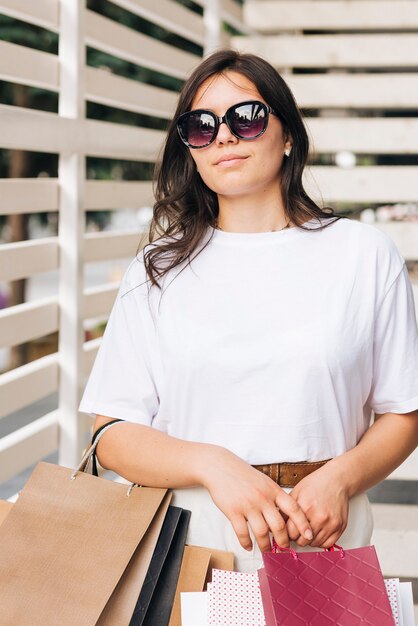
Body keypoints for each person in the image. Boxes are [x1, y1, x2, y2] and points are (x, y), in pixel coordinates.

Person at [79, 49, 418, 572]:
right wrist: (213, 464)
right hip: (190, 547)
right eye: (201, 125)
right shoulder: (157, 269)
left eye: (247, 117)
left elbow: (404, 410)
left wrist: (341, 478)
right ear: (189, 148)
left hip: (326, 539)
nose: (224, 136)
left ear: (287, 136)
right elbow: (112, 434)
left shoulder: (363, 254)